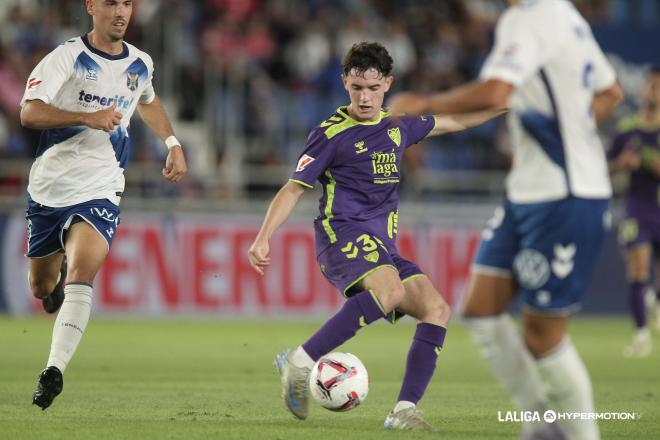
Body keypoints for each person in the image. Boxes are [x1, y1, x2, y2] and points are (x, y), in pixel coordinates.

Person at [388, 0, 622, 439]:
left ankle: (583, 434)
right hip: (528, 195)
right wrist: (570, 137)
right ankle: (538, 423)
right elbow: (610, 92)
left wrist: (422, 103)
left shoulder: (527, 19)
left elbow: (496, 92)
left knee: (543, 337)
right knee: (479, 308)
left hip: (564, 198)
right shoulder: (564, 15)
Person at [248, 42, 505, 431]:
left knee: (437, 311)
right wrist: (263, 236)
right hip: (341, 235)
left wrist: (505, 106)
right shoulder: (330, 133)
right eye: (356, 88)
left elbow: (455, 121)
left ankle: (402, 411)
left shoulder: (399, 127)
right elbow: (294, 187)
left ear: (387, 84)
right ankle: (298, 362)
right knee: (391, 292)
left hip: (381, 246)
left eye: (371, 88)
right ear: (344, 84)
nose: (364, 97)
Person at [21, 0, 187, 410]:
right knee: (41, 286)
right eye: (112, 2)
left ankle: (53, 369)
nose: (121, 11)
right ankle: (52, 282)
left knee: (84, 269)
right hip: (50, 188)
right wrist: (87, 117)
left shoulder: (140, 63)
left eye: (128, 3)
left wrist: (172, 142)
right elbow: (29, 112)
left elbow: (146, 100)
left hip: (102, 186)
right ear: (91, 6)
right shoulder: (66, 57)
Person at [608, 67, 660, 358]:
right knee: (638, 268)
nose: (654, 90)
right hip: (636, 208)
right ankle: (641, 335)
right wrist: (621, 164)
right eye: (651, 85)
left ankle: (653, 302)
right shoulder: (627, 128)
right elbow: (606, 164)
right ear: (643, 90)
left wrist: (651, 163)